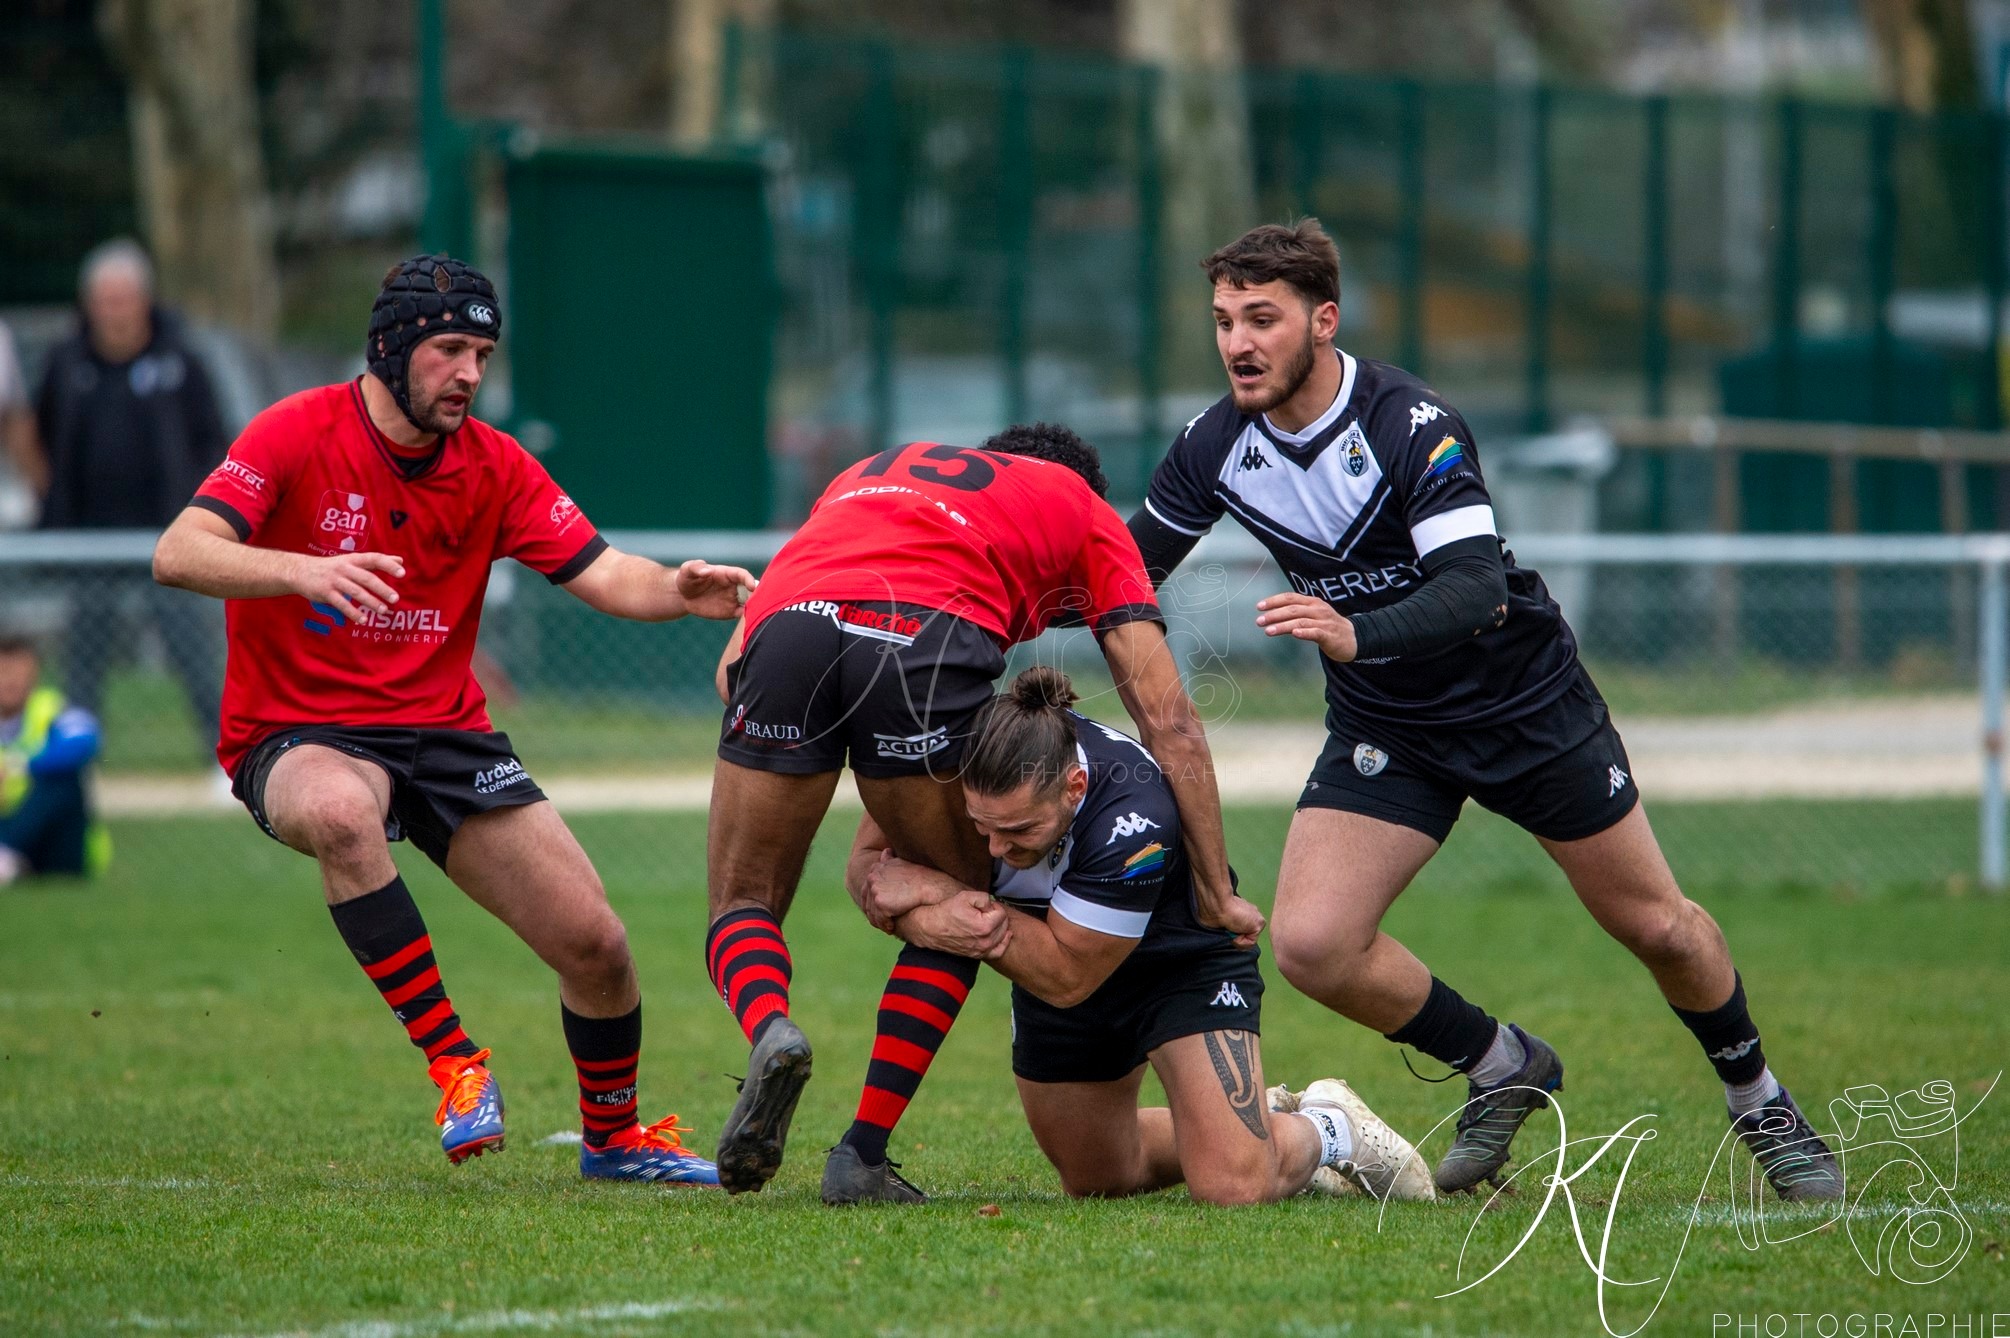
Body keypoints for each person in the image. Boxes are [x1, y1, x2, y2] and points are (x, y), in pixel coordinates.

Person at [1125, 220, 1842, 1201]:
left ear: (1322, 320)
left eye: (1262, 318)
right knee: (1312, 945)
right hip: (1391, 727)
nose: (1238, 343)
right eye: (1222, 321)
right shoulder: (1214, 445)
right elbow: (1123, 573)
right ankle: (1504, 1064)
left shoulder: (1408, 422)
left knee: (1661, 929)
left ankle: (1759, 1099)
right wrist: (994, 590)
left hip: (1523, 705)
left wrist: (1353, 632)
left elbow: (1475, 590)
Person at [152, 254, 754, 1183]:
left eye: (482, 352)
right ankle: (455, 1062)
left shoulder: (494, 464)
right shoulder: (295, 432)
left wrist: (677, 589)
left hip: (443, 734)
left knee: (595, 945)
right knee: (344, 816)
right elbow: (179, 552)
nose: (470, 372)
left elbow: (603, 570)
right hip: (298, 729)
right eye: (449, 350)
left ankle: (617, 1139)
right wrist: (301, 569)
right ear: (392, 349)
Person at [705, 423, 1266, 1201]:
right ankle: (861, 1152)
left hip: (791, 629)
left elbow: (731, 673)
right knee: (971, 894)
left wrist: (825, 753)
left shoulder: (869, 471)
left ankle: (770, 1026)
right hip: (924, 639)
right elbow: (1168, 720)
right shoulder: (1082, 509)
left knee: (741, 900)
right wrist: (1215, 886)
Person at [851, 667, 1434, 1205]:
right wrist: (920, 901)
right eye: (981, 827)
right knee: (1100, 1178)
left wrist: (944, 897)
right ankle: (1252, 1122)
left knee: (1233, 1185)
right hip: (1051, 955)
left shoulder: (1134, 817)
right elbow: (867, 870)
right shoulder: (949, 763)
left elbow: (1065, 974)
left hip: (1174, 965)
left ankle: (1331, 1129)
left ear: (1074, 787)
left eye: (1020, 830)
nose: (996, 850)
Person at [33, 240, 227, 756]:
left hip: (168, 535)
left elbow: (213, 438)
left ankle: (221, 754)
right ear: (89, 304)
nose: (114, 312)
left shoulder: (180, 360)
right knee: (83, 659)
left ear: (144, 300)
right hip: (88, 538)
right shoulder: (66, 361)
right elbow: (41, 434)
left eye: (123, 299)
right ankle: (76, 757)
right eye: (104, 300)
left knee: (191, 647)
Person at [0, 632, 108, 886]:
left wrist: (18, 766)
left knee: (63, 779)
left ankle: (6, 854)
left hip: (56, 846)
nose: (11, 680)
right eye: (4, 670)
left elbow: (84, 739)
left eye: (19, 671)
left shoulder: (52, 709)